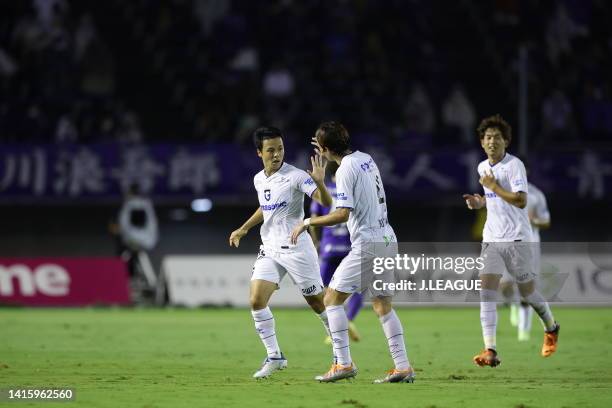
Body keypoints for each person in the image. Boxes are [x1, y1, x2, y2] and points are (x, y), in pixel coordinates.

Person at [291, 121, 415, 384]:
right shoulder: (365, 158)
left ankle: (343, 364)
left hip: (368, 243)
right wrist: (326, 151)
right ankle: (403, 367)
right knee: (382, 305)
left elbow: (341, 214)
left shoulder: (346, 170)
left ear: (323, 149)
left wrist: (307, 222)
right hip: (387, 237)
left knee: (331, 299)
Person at [228, 126, 333, 379]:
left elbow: (325, 202)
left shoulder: (296, 176)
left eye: (280, 149)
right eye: (271, 150)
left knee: (318, 303)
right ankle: (275, 356)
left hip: (297, 247)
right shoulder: (258, 179)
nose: (277, 154)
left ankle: (342, 357)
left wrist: (319, 181)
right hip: (271, 248)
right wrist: (243, 228)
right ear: (259, 153)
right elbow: (266, 208)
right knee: (256, 300)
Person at [462, 114, 560, 367]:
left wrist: (493, 188)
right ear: (482, 143)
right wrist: (479, 202)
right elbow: (492, 200)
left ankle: (551, 326)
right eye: (487, 137)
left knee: (528, 294)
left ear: (506, 141)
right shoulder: (482, 167)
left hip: (518, 238)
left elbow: (520, 200)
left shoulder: (514, 165)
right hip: (492, 237)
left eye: (497, 137)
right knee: (486, 292)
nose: (492, 141)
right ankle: (490, 349)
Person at [309, 161, 362, 344]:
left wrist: (316, 243)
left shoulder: (323, 192)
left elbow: (315, 218)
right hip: (349, 247)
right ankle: (348, 321)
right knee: (359, 288)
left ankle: (336, 328)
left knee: (323, 291)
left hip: (329, 247)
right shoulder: (351, 190)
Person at [501, 181, 551, 341]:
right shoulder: (504, 192)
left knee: (527, 288)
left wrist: (534, 221)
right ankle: (512, 304)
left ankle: (524, 331)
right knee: (505, 285)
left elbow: (546, 221)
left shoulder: (536, 195)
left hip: (530, 245)